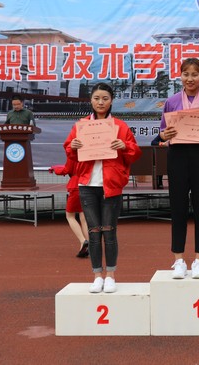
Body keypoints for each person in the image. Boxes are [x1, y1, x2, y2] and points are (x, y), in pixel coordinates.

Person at [64, 82, 142, 293]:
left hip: (111, 185)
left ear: (111, 101)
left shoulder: (120, 126)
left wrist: (124, 146)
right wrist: (73, 147)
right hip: (87, 185)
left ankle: (111, 275)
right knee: (93, 232)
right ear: (91, 100)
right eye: (97, 98)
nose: (101, 102)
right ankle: (97, 275)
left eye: (105, 98)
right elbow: (69, 151)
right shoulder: (81, 125)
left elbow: (134, 153)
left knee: (109, 231)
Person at [158, 58, 199, 280]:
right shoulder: (172, 102)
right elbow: (163, 133)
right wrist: (165, 135)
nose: (190, 78)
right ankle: (178, 260)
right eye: (186, 74)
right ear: (180, 76)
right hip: (177, 156)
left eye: (195, 74)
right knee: (177, 207)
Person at [49, 159, 89, 258]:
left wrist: (55, 169)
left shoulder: (73, 155)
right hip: (87, 184)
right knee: (84, 217)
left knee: (70, 216)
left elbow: (66, 169)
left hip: (75, 186)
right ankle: (89, 245)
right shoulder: (88, 154)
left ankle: (83, 240)